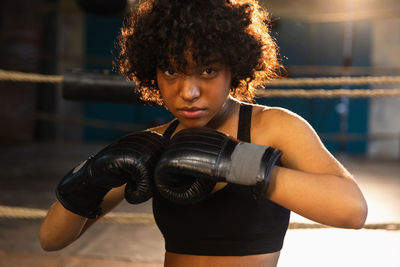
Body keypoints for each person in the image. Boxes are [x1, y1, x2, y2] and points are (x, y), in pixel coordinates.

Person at [39, 0, 368, 266]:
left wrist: (235, 162)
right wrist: (92, 177)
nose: (188, 92)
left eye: (207, 71)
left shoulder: (274, 127)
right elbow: (51, 240)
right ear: (151, 72)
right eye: (171, 71)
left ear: (233, 68)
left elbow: (352, 210)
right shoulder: (153, 145)